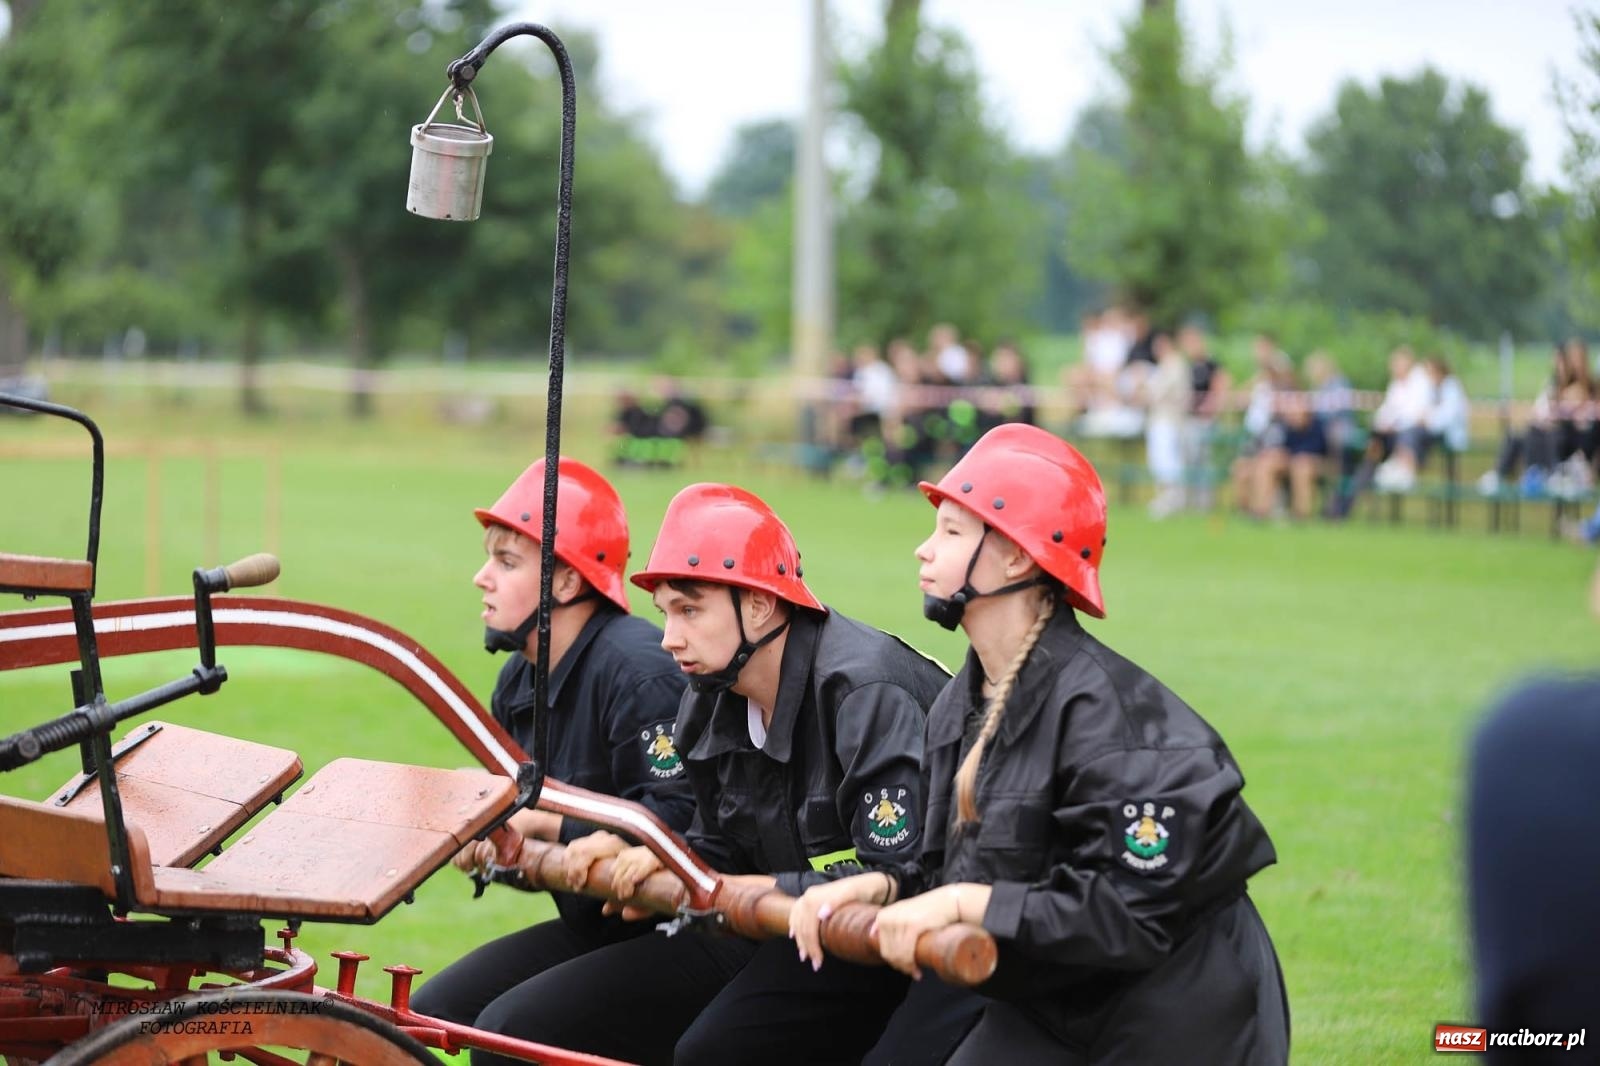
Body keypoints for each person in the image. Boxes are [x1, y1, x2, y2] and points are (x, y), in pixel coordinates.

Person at [790, 423, 1290, 1064]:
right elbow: (950, 871)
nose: (922, 550)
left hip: (1179, 1009)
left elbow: (1126, 916)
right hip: (1053, 1000)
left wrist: (967, 902)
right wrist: (876, 887)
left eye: (949, 533)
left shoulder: (1119, 725)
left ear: (1019, 558)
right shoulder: (959, 703)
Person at [480, 483, 952, 1065]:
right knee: (519, 1027)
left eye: (690, 609)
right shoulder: (710, 693)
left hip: (922, 943)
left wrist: (752, 888)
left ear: (758, 604)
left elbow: (898, 870)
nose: (670, 636)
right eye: (666, 613)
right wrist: (667, 853)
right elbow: (719, 841)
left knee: (716, 1050)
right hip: (796, 927)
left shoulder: (863, 691)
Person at [409, 458, 695, 1056]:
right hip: (594, 926)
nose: (480, 578)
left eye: (507, 562)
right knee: (429, 1013)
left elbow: (682, 818)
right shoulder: (519, 682)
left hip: (677, 932)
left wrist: (536, 819)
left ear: (564, 583)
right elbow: (523, 840)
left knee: (507, 1036)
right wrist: (489, 846)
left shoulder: (639, 673)